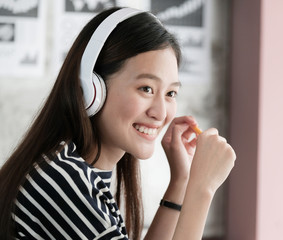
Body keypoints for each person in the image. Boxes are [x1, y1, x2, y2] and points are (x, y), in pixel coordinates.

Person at [0, 7, 236, 240]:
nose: (161, 112)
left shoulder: (78, 172)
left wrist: (181, 181)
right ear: (93, 89)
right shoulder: (65, 183)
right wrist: (202, 189)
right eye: (146, 88)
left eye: (171, 93)